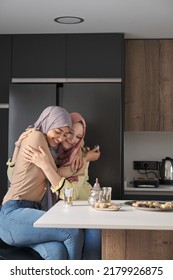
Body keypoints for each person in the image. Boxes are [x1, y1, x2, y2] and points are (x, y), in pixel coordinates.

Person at [0, 106, 84, 260]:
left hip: (31, 215)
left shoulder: (51, 150)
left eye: (65, 134)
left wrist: (80, 153)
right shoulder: (36, 136)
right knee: (73, 231)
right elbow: (55, 174)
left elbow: (56, 169)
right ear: (47, 123)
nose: (60, 138)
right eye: (57, 132)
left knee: (57, 251)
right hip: (14, 214)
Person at [22, 112, 102, 259]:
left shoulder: (80, 157)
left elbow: (72, 194)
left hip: (81, 205)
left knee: (95, 231)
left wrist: (84, 156)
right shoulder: (44, 148)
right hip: (51, 209)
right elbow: (14, 174)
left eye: (78, 137)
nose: (72, 140)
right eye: (69, 133)